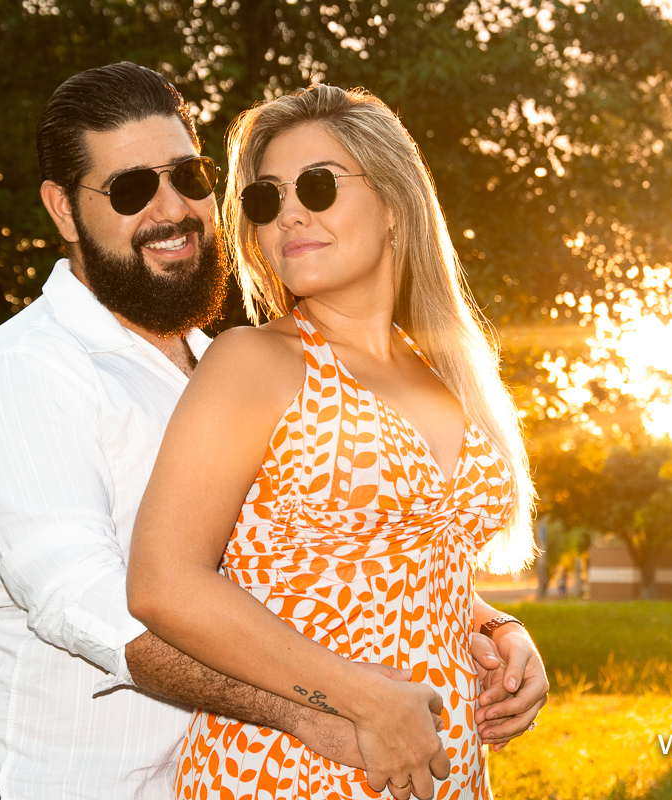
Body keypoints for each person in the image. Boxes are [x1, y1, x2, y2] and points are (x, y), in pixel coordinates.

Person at [0, 62, 364, 800]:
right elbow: (85, 605)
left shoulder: (223, 363)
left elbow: (315, 545)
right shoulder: (25, 371)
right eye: (131, 189)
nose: (173, 210)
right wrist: (310, 712)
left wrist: (486, 630)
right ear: (64, 211)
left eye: (189, 175)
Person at [127, 84, 547, 800]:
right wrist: (361, 694)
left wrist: (502, 630)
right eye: (265, 198)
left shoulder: (444, 368)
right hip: (291, 770)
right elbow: (164, 585)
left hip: (447, 770)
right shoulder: (253, 362)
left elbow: (391, 566)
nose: (290, 211)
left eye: (318, 186)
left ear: (392, 203)